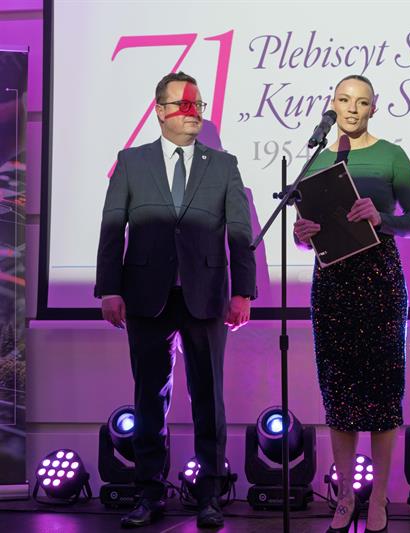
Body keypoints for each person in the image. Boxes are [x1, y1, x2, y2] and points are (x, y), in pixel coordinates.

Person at [95, 71, 257, 529]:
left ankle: (210, 496)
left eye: (198, 105)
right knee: (149, 398)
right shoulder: (131, 162)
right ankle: (149, 494)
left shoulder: (223, 165)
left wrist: (243, 291)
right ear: (160, 111)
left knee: (208, 397)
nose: (194, 113)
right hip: (146, 295)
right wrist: (109, 287)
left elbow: (240, 233)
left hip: (205, 295)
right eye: (184, 105)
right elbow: (112, 227)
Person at [294, 74, 410, 533]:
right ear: (332, 104)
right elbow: (309, 232)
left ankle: (380, 499)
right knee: (339, 394)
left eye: (362, 102)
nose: (352, 109)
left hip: (380, 282)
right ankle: (346, 496)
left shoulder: (391, 155)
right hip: (331, 284)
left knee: (384, 394)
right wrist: (302, 235)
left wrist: (381, 217)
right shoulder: (315, 160)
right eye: (344, 100)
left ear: (374, 107)